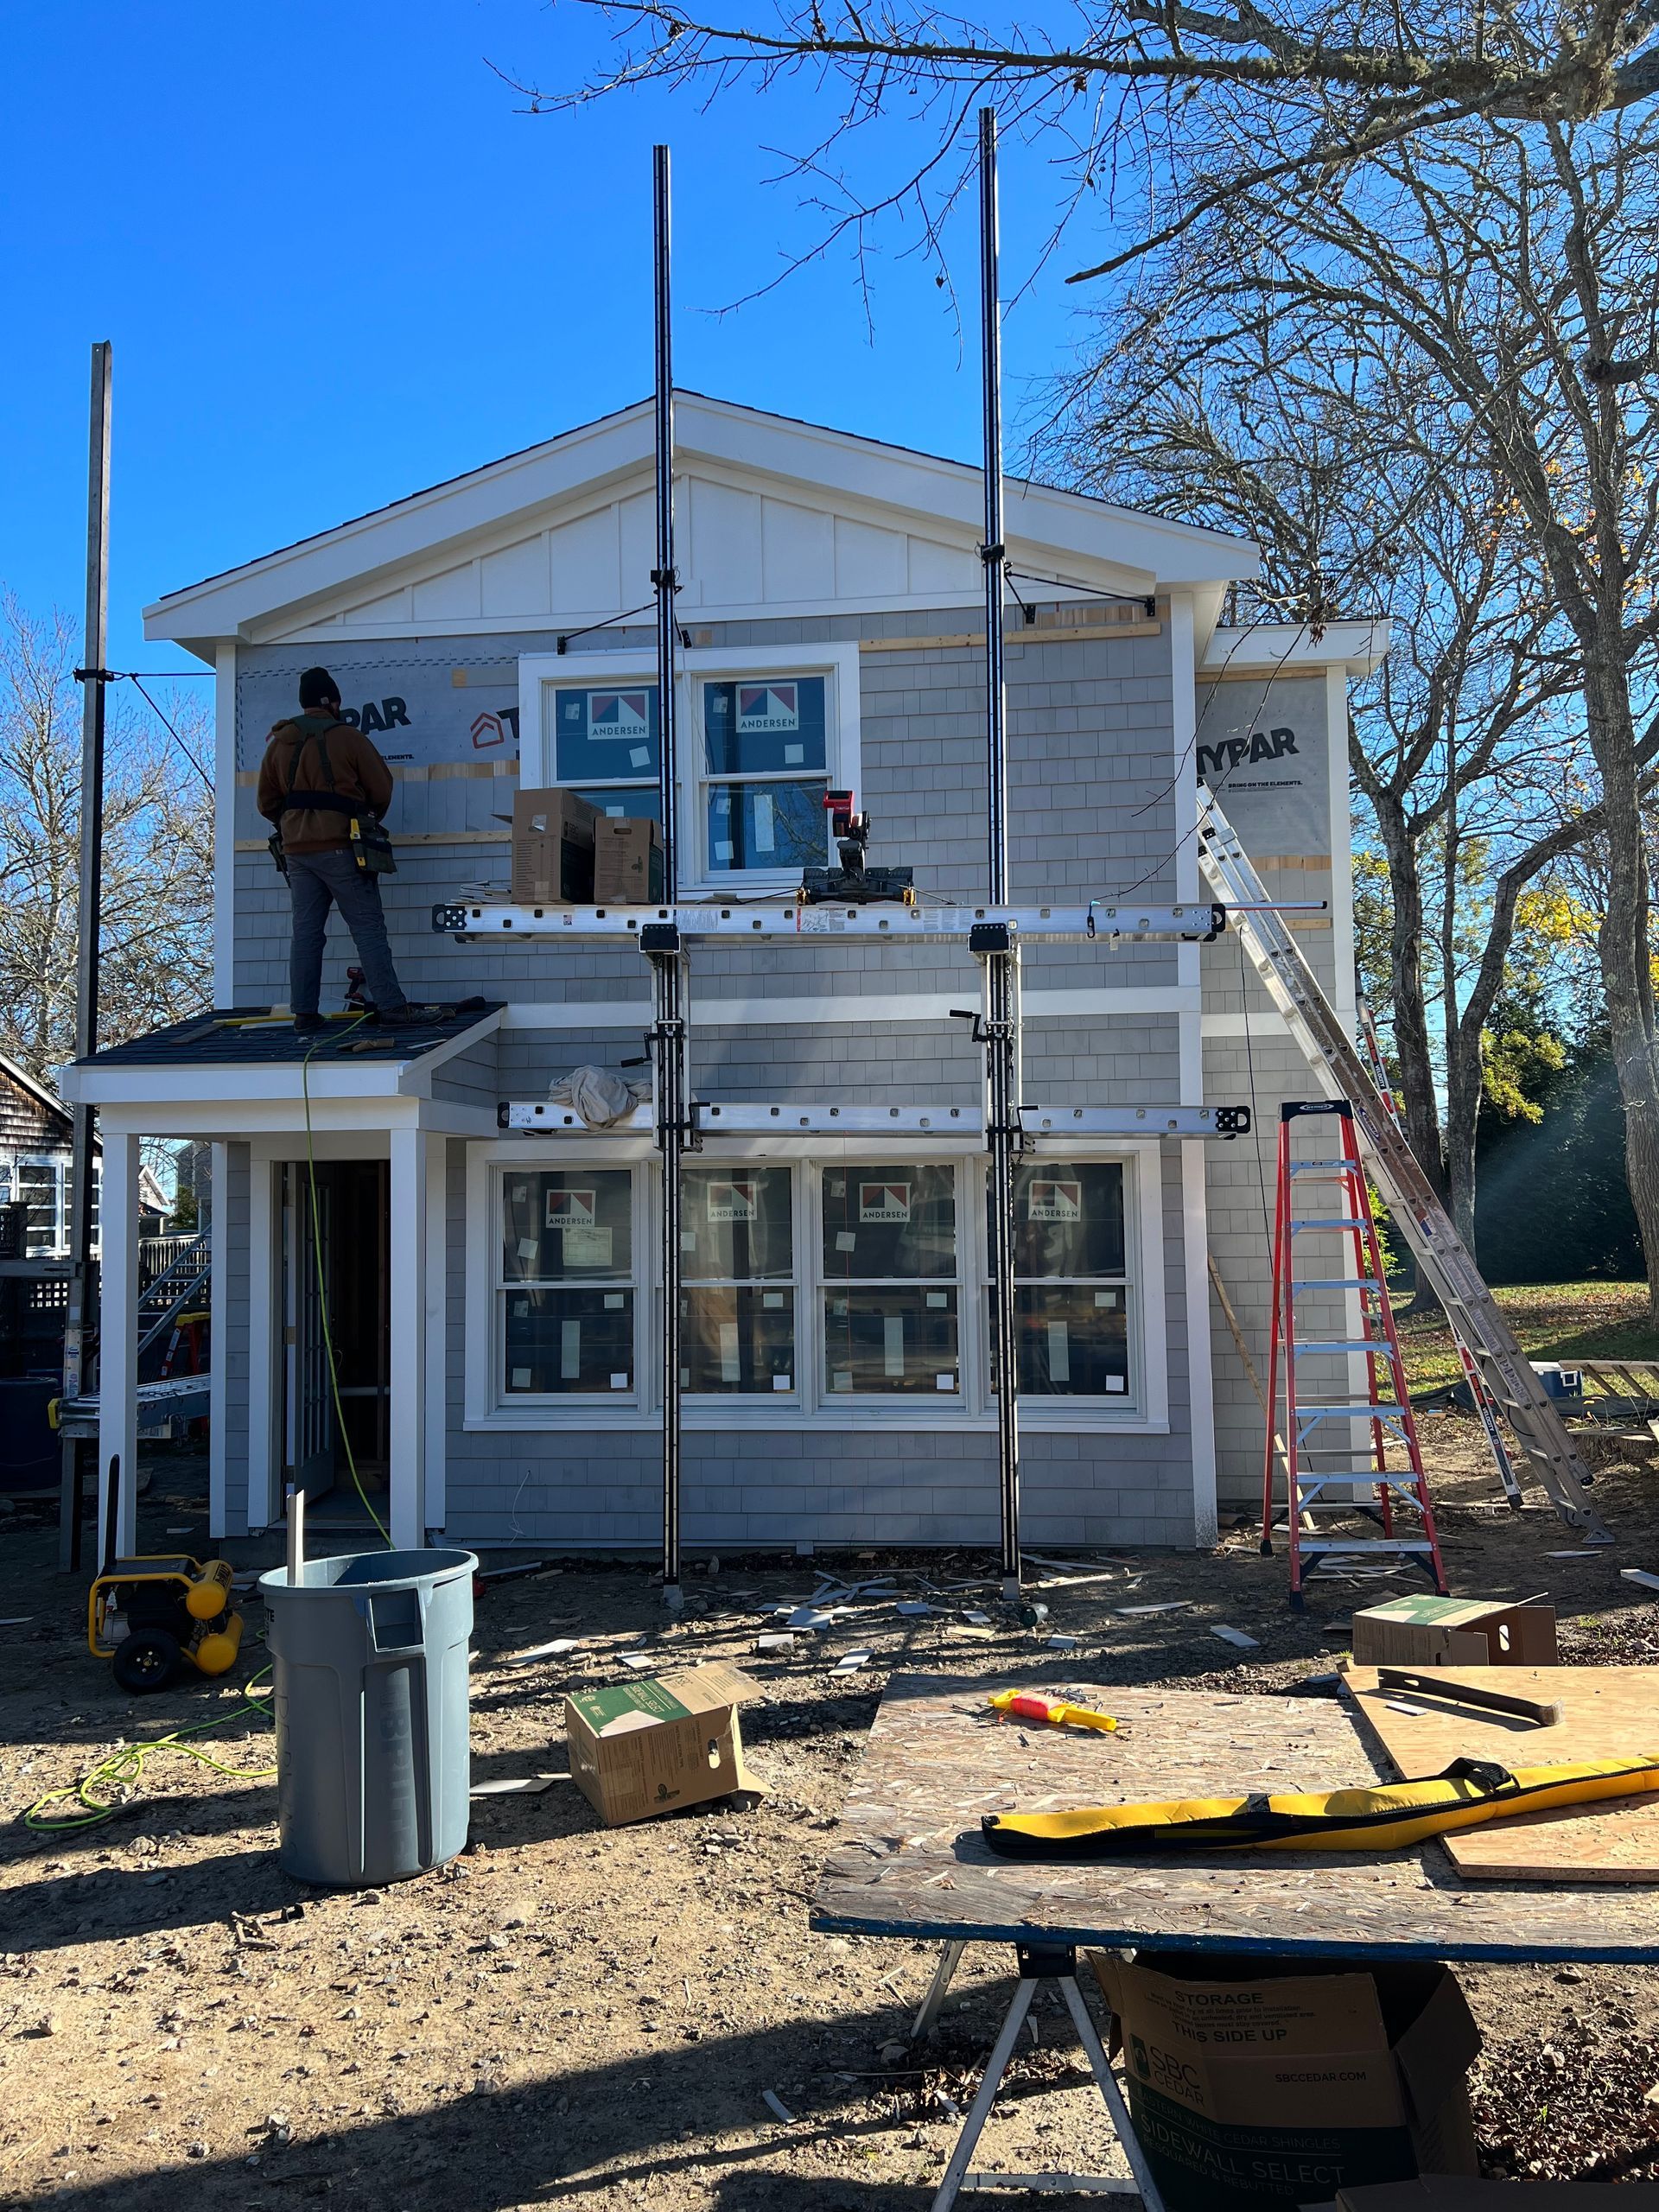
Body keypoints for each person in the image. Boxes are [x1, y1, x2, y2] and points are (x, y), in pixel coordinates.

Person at [257, 666, 419, 1032]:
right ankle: (392, 1007)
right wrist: (363, 817)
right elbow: (381, 788)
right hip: (341, 848)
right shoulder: (348, 737)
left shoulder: (279, 744)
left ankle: (304, 1014)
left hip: (297, 853)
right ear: (332, 702)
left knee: (306, 933)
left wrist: (295, 825)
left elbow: (266, 803)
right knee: (367, 929)